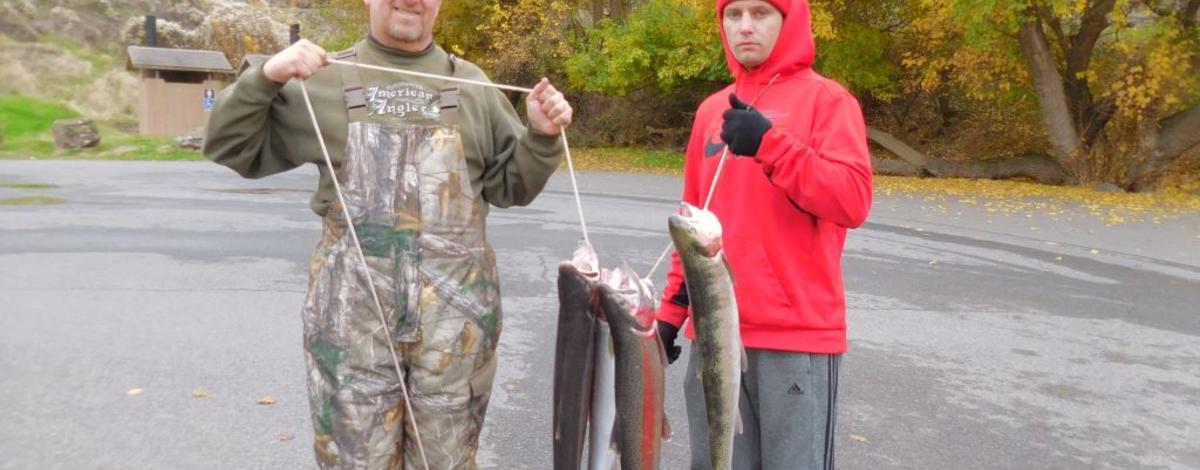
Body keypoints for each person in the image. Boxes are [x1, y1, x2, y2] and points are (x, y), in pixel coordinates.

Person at [202, 0, 573, 467]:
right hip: (351, 333)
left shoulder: (476, 87)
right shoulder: (321, 79)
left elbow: (510, 186)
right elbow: (228, 145)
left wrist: (540, 138)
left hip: (454, 341)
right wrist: (266, 77)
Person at [654, 0, 872, 468]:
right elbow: (693, 224)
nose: (745, 26)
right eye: (733, 15)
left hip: (795, 340)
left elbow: (852, 200)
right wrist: (671, 312)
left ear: (788, 20)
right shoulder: (711, 111)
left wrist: (770, 144)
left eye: (761, 13)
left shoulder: (829, 101)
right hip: (714, 335)